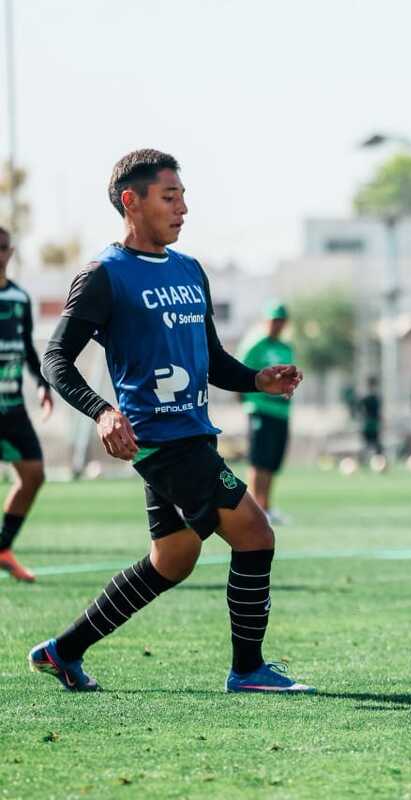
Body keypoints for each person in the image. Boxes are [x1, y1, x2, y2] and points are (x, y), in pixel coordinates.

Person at [32, 149, 313, 693]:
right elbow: (55, 359)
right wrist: (102, 411)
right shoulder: (103, 275)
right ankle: (249, 669)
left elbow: (212, 360)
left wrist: (258, 379)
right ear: (131, 201)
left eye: (183, 195)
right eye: (170, 196)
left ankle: (62, 651)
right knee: (255, 534)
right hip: (159, 441)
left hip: (192, 434)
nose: (182, 207)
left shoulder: (189, 271)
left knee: (172, 560)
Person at [0, 226, 53, 582]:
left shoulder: (19, 298)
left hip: (13, 405)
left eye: (3, 247)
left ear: (11, 250)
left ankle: (3, 547)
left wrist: (42, 384)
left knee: (33, 475)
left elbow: (28, 349)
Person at [239, 303, 293, 524]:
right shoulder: (255, 345)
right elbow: (239, 373)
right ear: (265, 321)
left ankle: (266, 507)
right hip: (260, 410)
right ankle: (254, 509)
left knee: (272, 461)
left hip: (281, 412)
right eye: (273, 320)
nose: (276, 325)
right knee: (258, 460)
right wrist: (247, 402)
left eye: (280, 320)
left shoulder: (286, 347)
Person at [359, 375, 384, 461]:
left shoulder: (371, 398)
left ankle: (378, 460)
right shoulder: (369, 398)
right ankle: (366, 460)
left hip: (372, 423)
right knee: (371, 444)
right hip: (369, 423)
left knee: (374, 444)